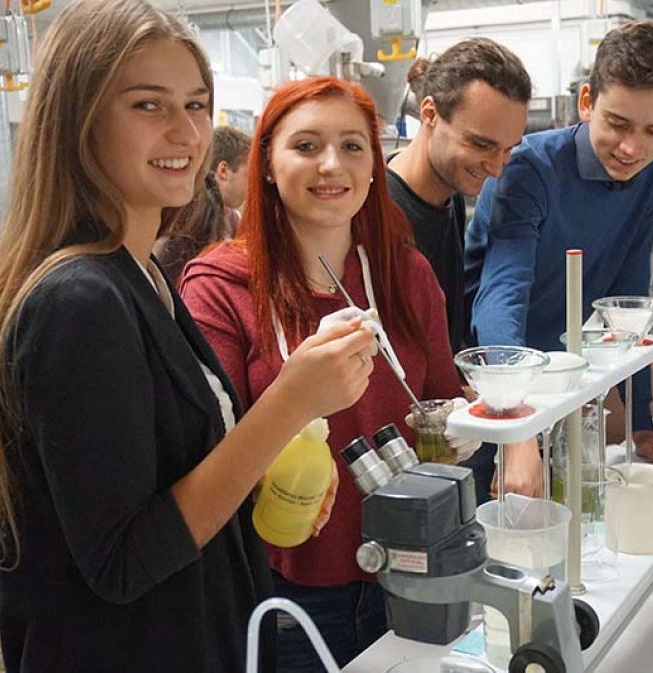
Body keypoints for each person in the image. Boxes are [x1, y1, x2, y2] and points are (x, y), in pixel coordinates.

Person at [0, 2, 376, 671]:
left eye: (197, 104)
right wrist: (289, 404)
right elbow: (123, 559)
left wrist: (264, 476)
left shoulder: (143, 274)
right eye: (148, 105)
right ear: (79, 119)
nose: (186, 130)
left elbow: (162, 483)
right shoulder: (79, 300)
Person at [179, 77, 477, 671]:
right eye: (306, 146)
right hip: (292, 588)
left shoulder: (405, 274)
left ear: (374, 165)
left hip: (414, 563)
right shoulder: (219, 288)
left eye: (352, 146)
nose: (331, 165)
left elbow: (444, 393)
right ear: (265, 163)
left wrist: (466, 422)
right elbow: (204, 463)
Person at [465, 20, 653, 466]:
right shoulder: (531, 169)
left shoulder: (651, 169)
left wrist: (641, 427)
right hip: (492, 381)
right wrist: (513, 422)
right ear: (587, 101)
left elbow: (630, 293)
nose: (632, 148)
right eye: (618, 123)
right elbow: (500, 295)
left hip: (558, 383)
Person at [387, 39, 542, 502]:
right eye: (481, 144)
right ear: (430, 113)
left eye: (508, 149)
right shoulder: (380, 216)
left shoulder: (450, 195)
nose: (496, 168)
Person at [155, 125, 252, 286]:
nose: (252, 186)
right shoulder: (194, 217)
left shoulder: (231, 218)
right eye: (249, 175)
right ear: (224, 171)